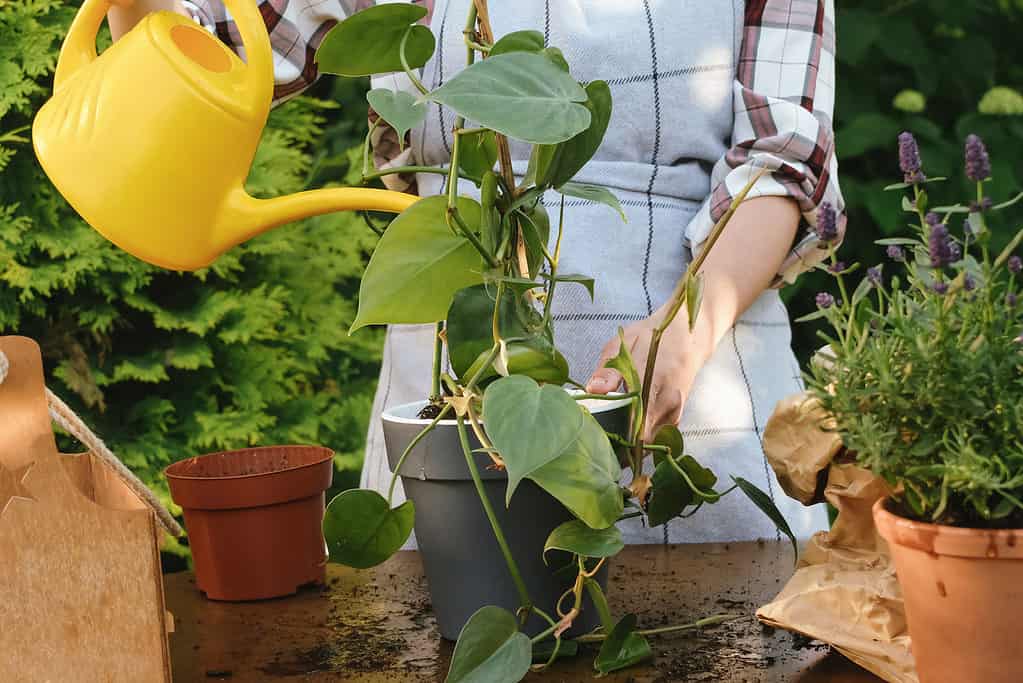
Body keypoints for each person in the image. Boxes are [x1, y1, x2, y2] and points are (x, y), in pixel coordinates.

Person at [110, 0, 843, 544]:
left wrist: (683, 329)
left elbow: (778, 163)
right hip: (452, 418)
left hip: (699, 416)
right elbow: (205, 55)